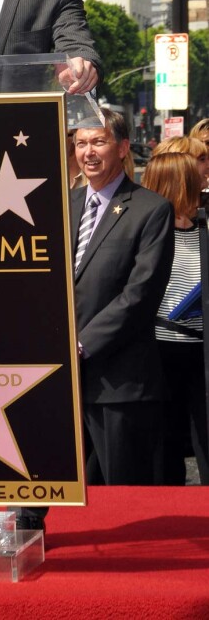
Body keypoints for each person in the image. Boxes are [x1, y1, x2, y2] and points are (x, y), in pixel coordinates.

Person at [72, 109, 174, 485]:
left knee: (122, 497)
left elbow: (140, 294)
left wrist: (80, 344)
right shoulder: (62, 205)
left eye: (98, 141)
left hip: (120, 386)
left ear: (123, 147)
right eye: (81, 143)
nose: (89, 152)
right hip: (62, 384)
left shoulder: (151, 210)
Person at [141, 152, 208, 485]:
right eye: (196, 178)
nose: (204, 180)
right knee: (165, 441)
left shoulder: (204, 228)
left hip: (201, 349)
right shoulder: (152, 234)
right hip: (160, 348)